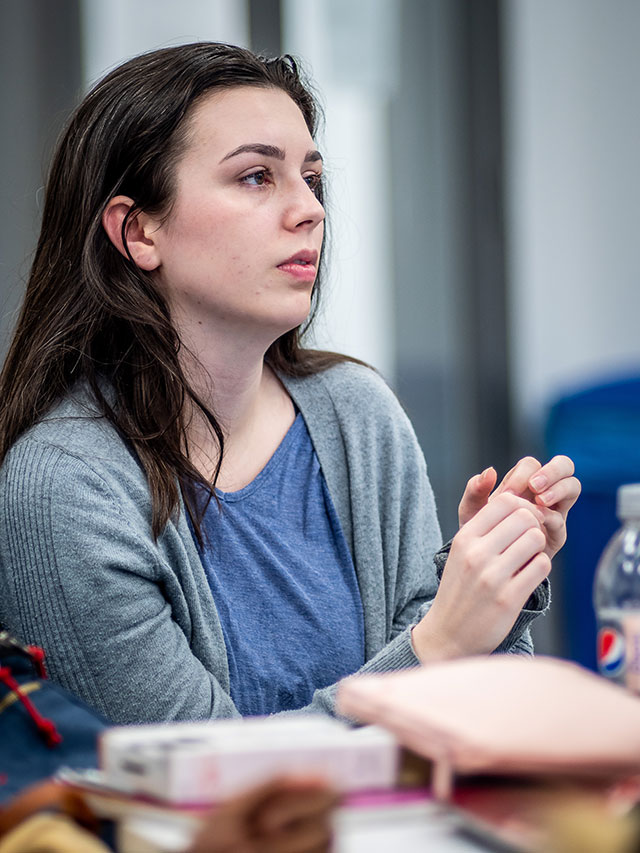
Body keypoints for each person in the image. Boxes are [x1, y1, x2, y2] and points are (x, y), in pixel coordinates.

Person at [0, 42, 580, 725]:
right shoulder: (63, 486)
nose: (311, 210)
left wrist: (491, 590)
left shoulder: (357, 415)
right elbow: (200, 790)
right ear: (137, 231)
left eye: (311, 178)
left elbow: (473, 722)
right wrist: (443, 638)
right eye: (255, 177)